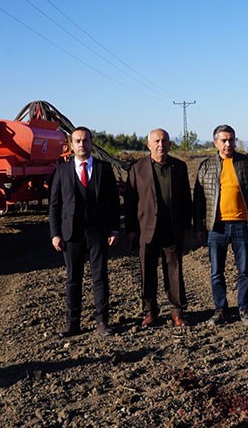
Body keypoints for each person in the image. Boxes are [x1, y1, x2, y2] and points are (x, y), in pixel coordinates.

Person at [49, 127, 121, 337]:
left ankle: (102, 321)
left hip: (98, 232)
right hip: (71, 235)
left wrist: (115, 228)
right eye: (78, 141)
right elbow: (54, 205)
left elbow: (114, 204)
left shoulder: (103, 169)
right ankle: (73, 323)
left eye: (85, 141)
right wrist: (55, 233)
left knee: (100, 277)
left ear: (91, 143)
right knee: (73, 278)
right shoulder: (61, 171)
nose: (82, 144)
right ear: (72, 145)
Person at [193, 125, 248, 327]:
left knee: (245, 270)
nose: (228, 144)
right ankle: (221, 309)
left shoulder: (246, 163)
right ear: (216, 142)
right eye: (223, 140)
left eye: (231, 140)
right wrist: (198, 227)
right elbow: (198, 200)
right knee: (217, 271)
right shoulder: (206, 166)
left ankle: (245, 308)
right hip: (217, 227)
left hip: (242, 225)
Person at [124, 129, 192, 328]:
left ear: (170, 144)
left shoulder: (179, 167)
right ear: (149, 145)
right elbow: (130, 202)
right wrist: (130, 229)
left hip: (171, 228)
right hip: (147, 229)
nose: (161, 144)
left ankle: (177, 311)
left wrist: (187, 226)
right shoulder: (137, 168)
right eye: (156, 141)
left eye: (164, 141)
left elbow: (186, 199)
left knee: (174, 270)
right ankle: (150, 311)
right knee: (147, 271)